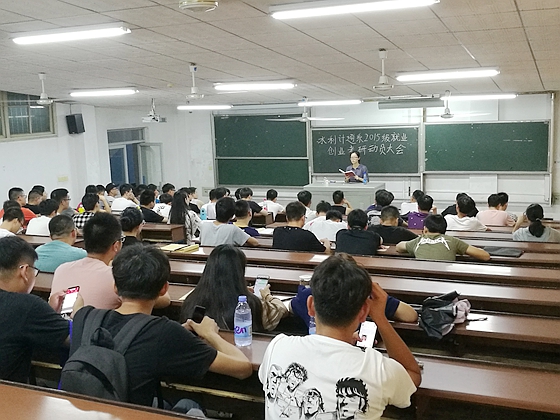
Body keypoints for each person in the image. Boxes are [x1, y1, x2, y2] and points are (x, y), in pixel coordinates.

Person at [69, 244, 252, 407]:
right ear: (164, 289)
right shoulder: (165, 333)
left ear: (115, 287)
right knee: (189, 405)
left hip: (80, 412)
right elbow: (242, 368)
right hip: (128, 414)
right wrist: (211, 334)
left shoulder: (84, 317)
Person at [259, 255, 421, 420]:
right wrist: (380, 318)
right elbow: (412, 374)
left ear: (311, 306)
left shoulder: (277, 347)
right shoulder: (377, 369)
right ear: (364, 312)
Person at [0, 236, 70, 383]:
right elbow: (74, 337)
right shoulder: (27, 306)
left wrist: (48, 314)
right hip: (9, 394)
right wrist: (79, 313)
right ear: (25, 271)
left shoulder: (27, 309)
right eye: (35, 271)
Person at [181, 245, 288, 331]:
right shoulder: (251, 303)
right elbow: (281, 309)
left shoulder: (191, 299)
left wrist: (242, 289)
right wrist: (267, 295)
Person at [396, 214, 490, 262]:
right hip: (446, 283)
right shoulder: (453, 241)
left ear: (425, 229)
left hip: (422, 282)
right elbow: (485, 256)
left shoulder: (418, 241)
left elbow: (399, 246)